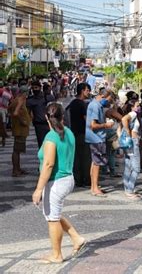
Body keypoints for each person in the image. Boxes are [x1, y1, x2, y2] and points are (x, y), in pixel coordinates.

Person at [32, 103, 86, 264]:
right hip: (67, 178)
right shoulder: (68, 132)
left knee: (52, 219)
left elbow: (48, 165)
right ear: (63, 117)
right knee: (53, 213)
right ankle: (76, 238)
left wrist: (38, 189)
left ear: (47, 118)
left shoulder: (51, 137)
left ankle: (56, 255)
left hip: (56, 181)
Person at [85, 89, 115, 197]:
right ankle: (95, 188)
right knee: (97, 163)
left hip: (96, 138)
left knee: (95, 163)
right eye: (108, 100)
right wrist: (105, 125)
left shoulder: (96, 105)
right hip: (96, 138)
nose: (109, 103)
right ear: (102, 96)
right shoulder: (95, 106)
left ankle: (94, 186)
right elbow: (93, 125)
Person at [67, 83, 92, 187]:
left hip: (73, 133)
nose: (89, 92)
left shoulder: (72, 103)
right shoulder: (82, 104)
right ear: (82, 91)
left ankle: (78, 179)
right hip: (82, 134)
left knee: (76, 157)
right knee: (85, 157)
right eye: (87, 90)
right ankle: (86, 179)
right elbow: (87, 120)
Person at [121, 99, 142, 199]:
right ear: (132, 107)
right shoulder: (133, 114)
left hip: (129, 142)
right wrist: (129, 133)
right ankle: (130, 189)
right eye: (137, 105)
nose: (139, 107)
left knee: (128, 166)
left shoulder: (132, 114)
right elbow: (123, 120)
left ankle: (127, 188)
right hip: (133, 142)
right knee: (136, 168)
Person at [8, 86, 31, 177]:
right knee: (16, 150)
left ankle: (18, 168)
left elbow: (9, 109)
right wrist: (23, 121)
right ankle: (15, 170)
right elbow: (15, 113)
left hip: (18, 129)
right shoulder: (20, 100)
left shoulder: (16, 100)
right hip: (20, 129)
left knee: (17, 150)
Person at [27, 80, 55, 148]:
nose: (34, 89)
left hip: (49, 123)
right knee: (41, 143)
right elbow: (28, 112)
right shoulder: (30, 100)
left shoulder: (48, 97)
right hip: (39, 124)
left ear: (40, 88)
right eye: (33, 88)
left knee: (51, 143)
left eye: (36, 87)